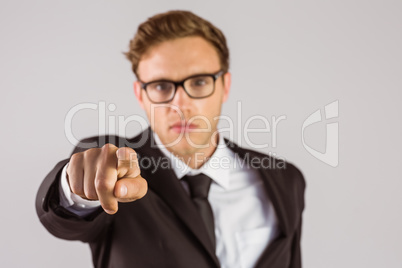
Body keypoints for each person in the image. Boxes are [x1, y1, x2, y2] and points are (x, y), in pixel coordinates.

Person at [36, 10, 306, 268]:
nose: (180, 104)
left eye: (199, 82)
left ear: (225, 86)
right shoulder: (116, 169)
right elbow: (66, 218)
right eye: (161, 86)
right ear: (140, 95)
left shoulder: (285, 181)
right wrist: (79, 187)